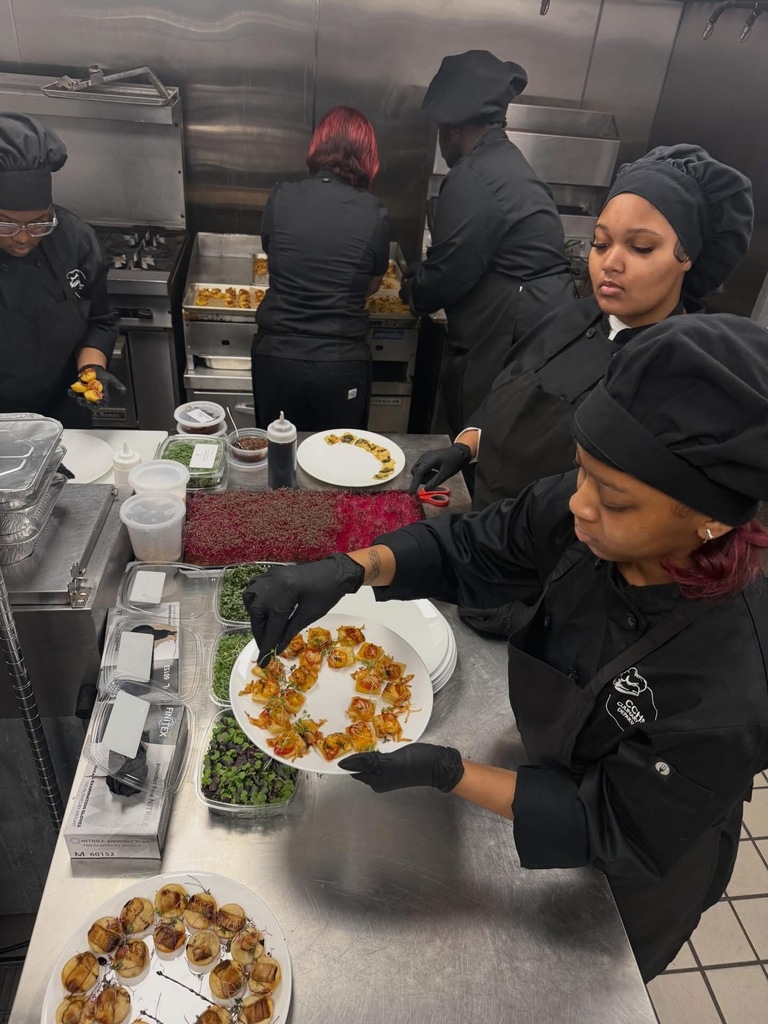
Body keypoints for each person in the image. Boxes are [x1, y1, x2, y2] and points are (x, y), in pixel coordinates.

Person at [242, 312, 768, 981]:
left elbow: (609, 824)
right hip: (549, 770)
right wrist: (351, 568)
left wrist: (449, 772)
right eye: (581, 472)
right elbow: (476, 546)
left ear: (712, 519)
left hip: (632, 869)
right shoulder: (586, 510)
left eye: (613, 500)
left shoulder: (732, 678)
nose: (579, 505)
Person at [409, 145, 754, 510]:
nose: (611, 263)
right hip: (485, 521)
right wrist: (464, 447)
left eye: (640, 247)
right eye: (601, 243)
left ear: (688, 257)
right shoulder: (568, 318)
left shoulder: (681, 371)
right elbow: (508, 396)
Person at [401, 50, 575, 436]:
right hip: (530, 333)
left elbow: (449, 275)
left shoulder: (473, 175)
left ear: (454, 128)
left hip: (507, 339)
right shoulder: (505, 161)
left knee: (481, 443)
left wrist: (412, 290)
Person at [252, 106, 389, 431]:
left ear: (318, 146)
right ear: (367, 154)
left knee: (279, 454)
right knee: (340, 457)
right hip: (340, 363)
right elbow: (372, 285)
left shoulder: (280, 196)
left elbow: (277, 258)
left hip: (277, 359)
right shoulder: (374, 211)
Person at [0, 113, 120, 427]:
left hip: (63, 408)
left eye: (39, 222)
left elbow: (100, 322)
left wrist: (91, 372)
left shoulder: (75, 239)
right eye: (6, 224)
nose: (23, 238)